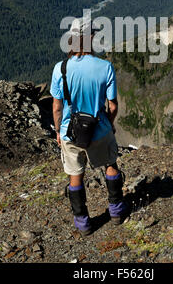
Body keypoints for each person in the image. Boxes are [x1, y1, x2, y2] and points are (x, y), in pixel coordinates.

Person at [50, 18, 127, 236]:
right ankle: (116, 211)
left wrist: (58, 131)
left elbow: (56, 107)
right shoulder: (105, 67)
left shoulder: (60, 68)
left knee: (76, 175)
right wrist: (109, 126)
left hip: (70, 133)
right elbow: (112, 106)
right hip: (100, 130)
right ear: (90, 38)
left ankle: (83, 222)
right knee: (110, 163)